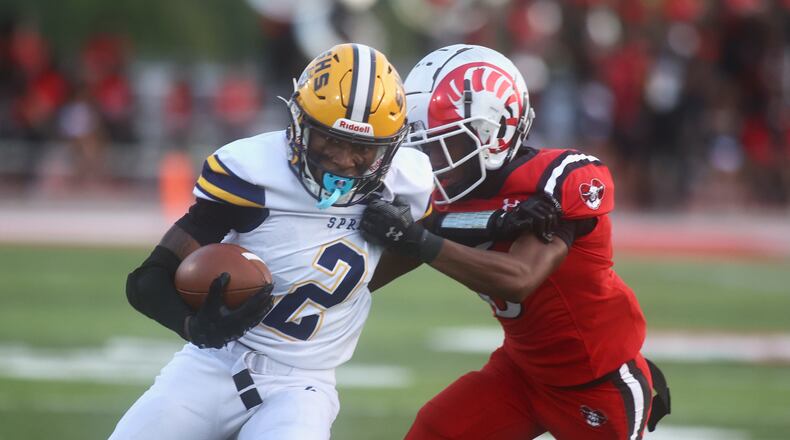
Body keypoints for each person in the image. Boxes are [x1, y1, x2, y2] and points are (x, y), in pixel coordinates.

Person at [110, 43, 433, 440]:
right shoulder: (253, 175)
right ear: (299, 123)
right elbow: (149, 280)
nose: (345, 160)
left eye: (363, 148)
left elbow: (433, 244)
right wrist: (195, 326)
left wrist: (407, 241)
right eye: (330, 140)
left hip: (303, 386)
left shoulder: (408, 185)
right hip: (212, 365)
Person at [360, 44, 670, 440]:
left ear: (493, 133)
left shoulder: (560, 177)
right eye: (425, 144)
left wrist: (419, 239)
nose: (432, 159)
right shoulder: (448, 196)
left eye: (445, 143)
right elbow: (377, 269)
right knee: (434, 431)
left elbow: (519, 276)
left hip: (597, 380)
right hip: (521, 373)